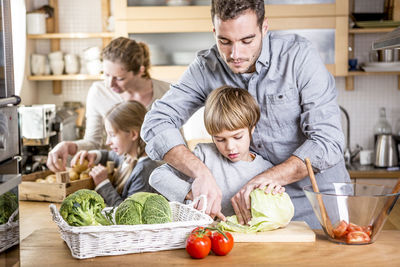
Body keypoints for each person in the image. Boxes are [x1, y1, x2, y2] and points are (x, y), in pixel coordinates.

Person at [141, 0, 350, 228]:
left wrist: (267, 178)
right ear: (214, 32)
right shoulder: (205, 68)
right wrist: (200, 174)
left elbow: (328, 141)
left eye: (247, 40)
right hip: (252, 208)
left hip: (317, 199)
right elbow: (156, 122)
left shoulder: (299, 57)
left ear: (264, 28)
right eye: (225, 41)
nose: (235, 54)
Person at [150, 86, 284, 216]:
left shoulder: (266, 170)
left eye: (237, 137)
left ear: (252, 129)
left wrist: (276, 196)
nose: (230, 147)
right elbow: (157, 176)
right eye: (220, 139)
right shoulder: (204, 155)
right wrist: (193, 193)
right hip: (203, 236)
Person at [47, 37, 170, 172]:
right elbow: (93, 142)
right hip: (120, 177)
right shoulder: (99, 92)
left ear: (140, 71)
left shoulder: (166, 92)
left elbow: (175, 143)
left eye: (119, 78)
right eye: (106, 74)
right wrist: (67, 146)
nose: (110, 84)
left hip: (162, 175)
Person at [71, 101, 160, 207]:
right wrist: (93, 155)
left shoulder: (144, 171)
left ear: (133, 134)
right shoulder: (127, 155)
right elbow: (110, 155)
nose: (107, 142)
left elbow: (128, 216)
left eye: (112, 135)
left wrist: (103, 184)